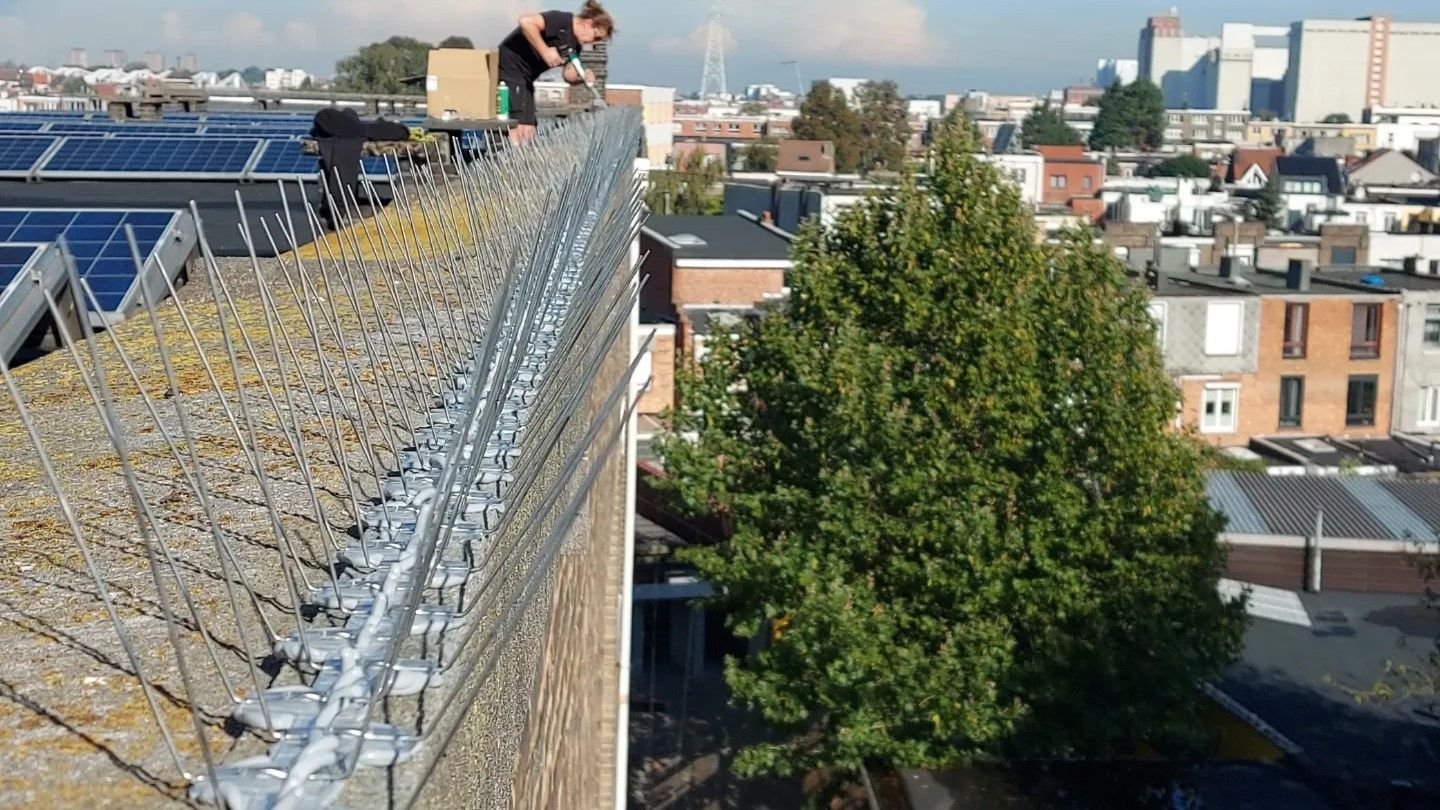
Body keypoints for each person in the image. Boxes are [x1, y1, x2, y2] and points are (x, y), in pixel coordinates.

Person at [498, 1, 615, 145]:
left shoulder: (575, 46)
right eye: (596, 37)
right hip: (511, 66)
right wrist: (544, 51)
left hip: (526, 79)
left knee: (530, 124)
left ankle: (519, 152)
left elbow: (568, 75)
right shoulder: (561, 21)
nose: (593, 43)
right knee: (520, 123)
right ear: (588, 23)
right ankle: (510, 151)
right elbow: (526, 22)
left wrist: (582, 76)